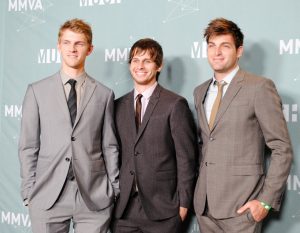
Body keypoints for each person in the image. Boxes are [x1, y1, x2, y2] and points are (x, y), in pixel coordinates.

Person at [18, 18, 119, 233]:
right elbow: (28, 145)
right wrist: (29, 192)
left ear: (89, 49)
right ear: (58, 46)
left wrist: (113, 189)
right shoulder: (37, 91)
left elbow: (109, 146)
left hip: (93, 196)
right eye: (67, 42)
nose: (72, 49)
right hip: (47, 196)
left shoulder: (104, 94)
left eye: (79, 43)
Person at [193, 18, 293, 233]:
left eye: (225, 46)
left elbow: (281, 148)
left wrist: (265, 202)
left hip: (242, 209)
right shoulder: (199, 91)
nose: (217, 52)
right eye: (212, 45)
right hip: (204, 207)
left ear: (239, 51)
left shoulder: (259, 87)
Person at [112, 38, 197, 233]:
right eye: (135, 60)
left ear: (158, 66)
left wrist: (183, 205)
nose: (140, 66)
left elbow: (186, 159)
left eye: (147, 61)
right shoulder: (117, 106)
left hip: (163, 210)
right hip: (124, 210)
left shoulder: (175, 104)